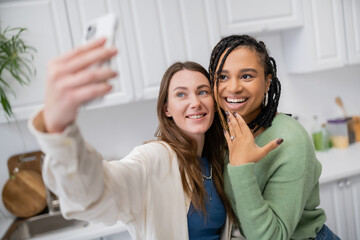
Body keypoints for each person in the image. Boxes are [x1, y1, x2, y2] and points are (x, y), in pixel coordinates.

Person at [28, 37, 280, 239]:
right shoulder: (154, 159)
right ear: (166, 110)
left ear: (213, 102)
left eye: (202, 92)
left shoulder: (216, 160)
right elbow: (96, 195)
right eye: (181, 95)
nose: (195, 102)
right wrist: (60, 132)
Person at [208, 34, 340, 240]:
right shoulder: (221, 131)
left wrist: (241, 167)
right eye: (223, 77)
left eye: (246, 76)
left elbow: (272, 237)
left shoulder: (291, 139)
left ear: (267, 82)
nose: (233, 87)